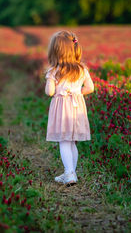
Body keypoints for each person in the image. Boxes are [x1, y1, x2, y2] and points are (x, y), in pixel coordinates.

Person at [44, 30, 94, 186]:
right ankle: (70, 171)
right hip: (77, 108)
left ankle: (69, 173)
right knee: (72, 141)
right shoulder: (82, 69)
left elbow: (49, 92)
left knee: (64, 141)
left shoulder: (55, 71)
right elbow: (90, 88)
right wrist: (77, 93)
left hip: (62, 109)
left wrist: (49, 80)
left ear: (56, 51)